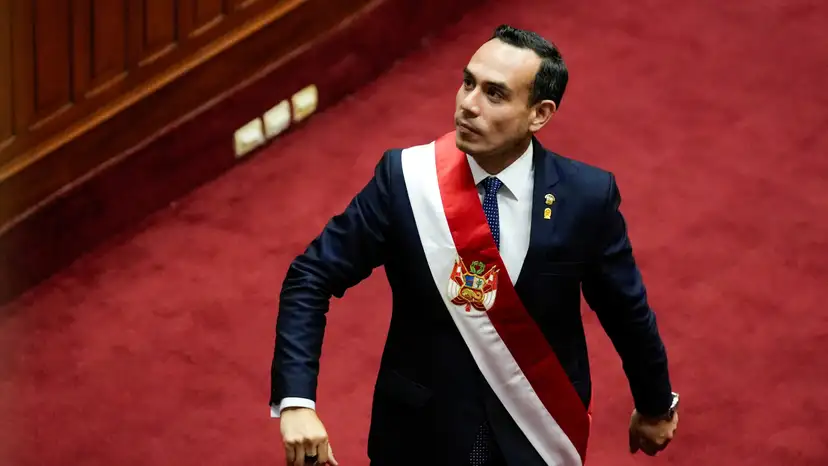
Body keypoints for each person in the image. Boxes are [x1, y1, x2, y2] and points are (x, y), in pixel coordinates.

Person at [269, 24, 680, 466]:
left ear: (539, 114)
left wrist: (656, 404)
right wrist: (296, 402)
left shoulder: (586, 197)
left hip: (536, 434)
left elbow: (625, 310)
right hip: (419, 439)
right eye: (468, 82)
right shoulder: (406, 180)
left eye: (495, 94)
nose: (468, 104)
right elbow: (310, 277)